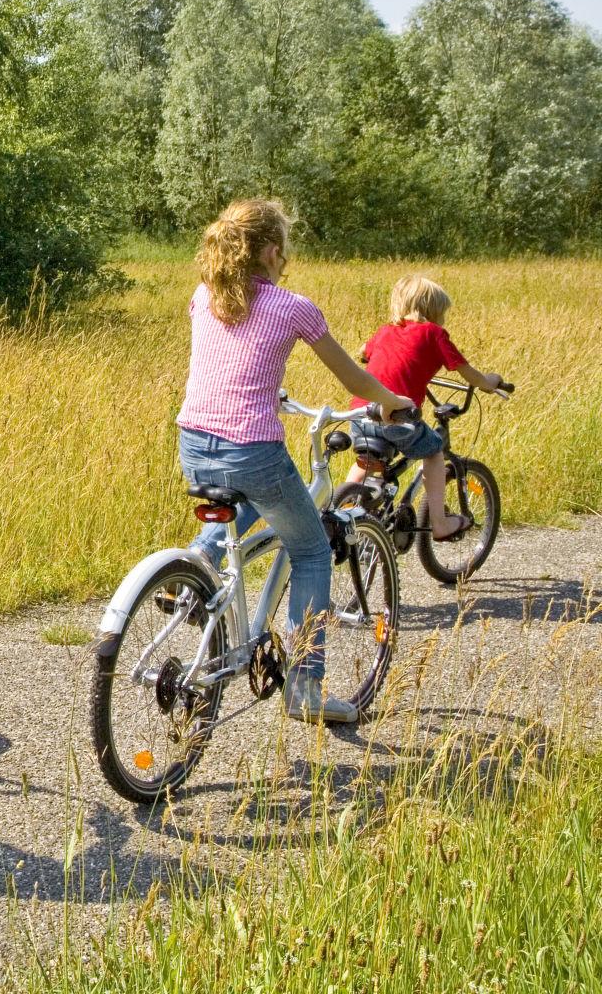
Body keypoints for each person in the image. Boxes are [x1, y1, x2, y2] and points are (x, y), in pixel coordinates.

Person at [176, 200, 411, 725]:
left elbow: (230, 362)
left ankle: (189, 572)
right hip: (252, 449)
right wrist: (391, 401)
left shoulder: (203, 295)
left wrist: (270, 391)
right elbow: (354, 380)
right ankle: (305, 688)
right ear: (270, 251)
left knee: (242, 508)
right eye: (284, 249)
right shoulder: (292, 306)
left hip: (193, 443)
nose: (287, 259)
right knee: (309, 550)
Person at [343, 274, 508, 541]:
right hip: (396, 417)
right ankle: (440, 523)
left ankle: (345, 510)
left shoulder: (386, 330)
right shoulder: (434, 333)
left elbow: (363, 351)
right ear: (434, 311)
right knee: (433, 452)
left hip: (361, 413)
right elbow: (470, 375)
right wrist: (489, 382)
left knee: (366, 461)